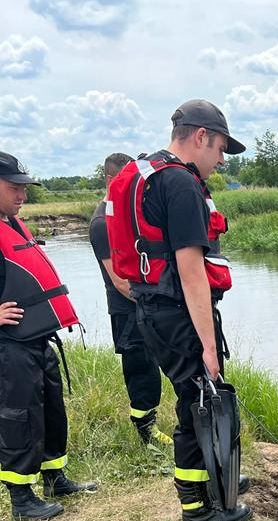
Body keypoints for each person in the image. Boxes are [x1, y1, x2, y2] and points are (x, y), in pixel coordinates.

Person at [105, 99, 251, 521]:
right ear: (200, 136)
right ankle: (199, 510)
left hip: (151, 308)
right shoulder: (181, 185)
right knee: (198, 402)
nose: (222, 160)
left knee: (195, 398)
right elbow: (191, 272)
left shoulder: (146, 174)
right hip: (178, 312)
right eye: (221, 148)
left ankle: (212, 480)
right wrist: (208, 344)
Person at [0, 151, 97, 520]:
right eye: (13, 188)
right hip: (9, 346)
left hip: (37, 338)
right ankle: (21, 499)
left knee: (52, 410)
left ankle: (55, 477)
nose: (22, 195)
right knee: (18, 417)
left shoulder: (12, 224)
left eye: (24, 188)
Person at [89, 153, 172, 447]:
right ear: (112, 180)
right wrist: (155, 302)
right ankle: (144, 430)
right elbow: (119, 281)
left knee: (153, 367)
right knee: (140, 371)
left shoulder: (121, 216)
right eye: (126, 179)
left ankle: (151, 423)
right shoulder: (101, 224)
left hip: (144, 306)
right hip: (127, 311)